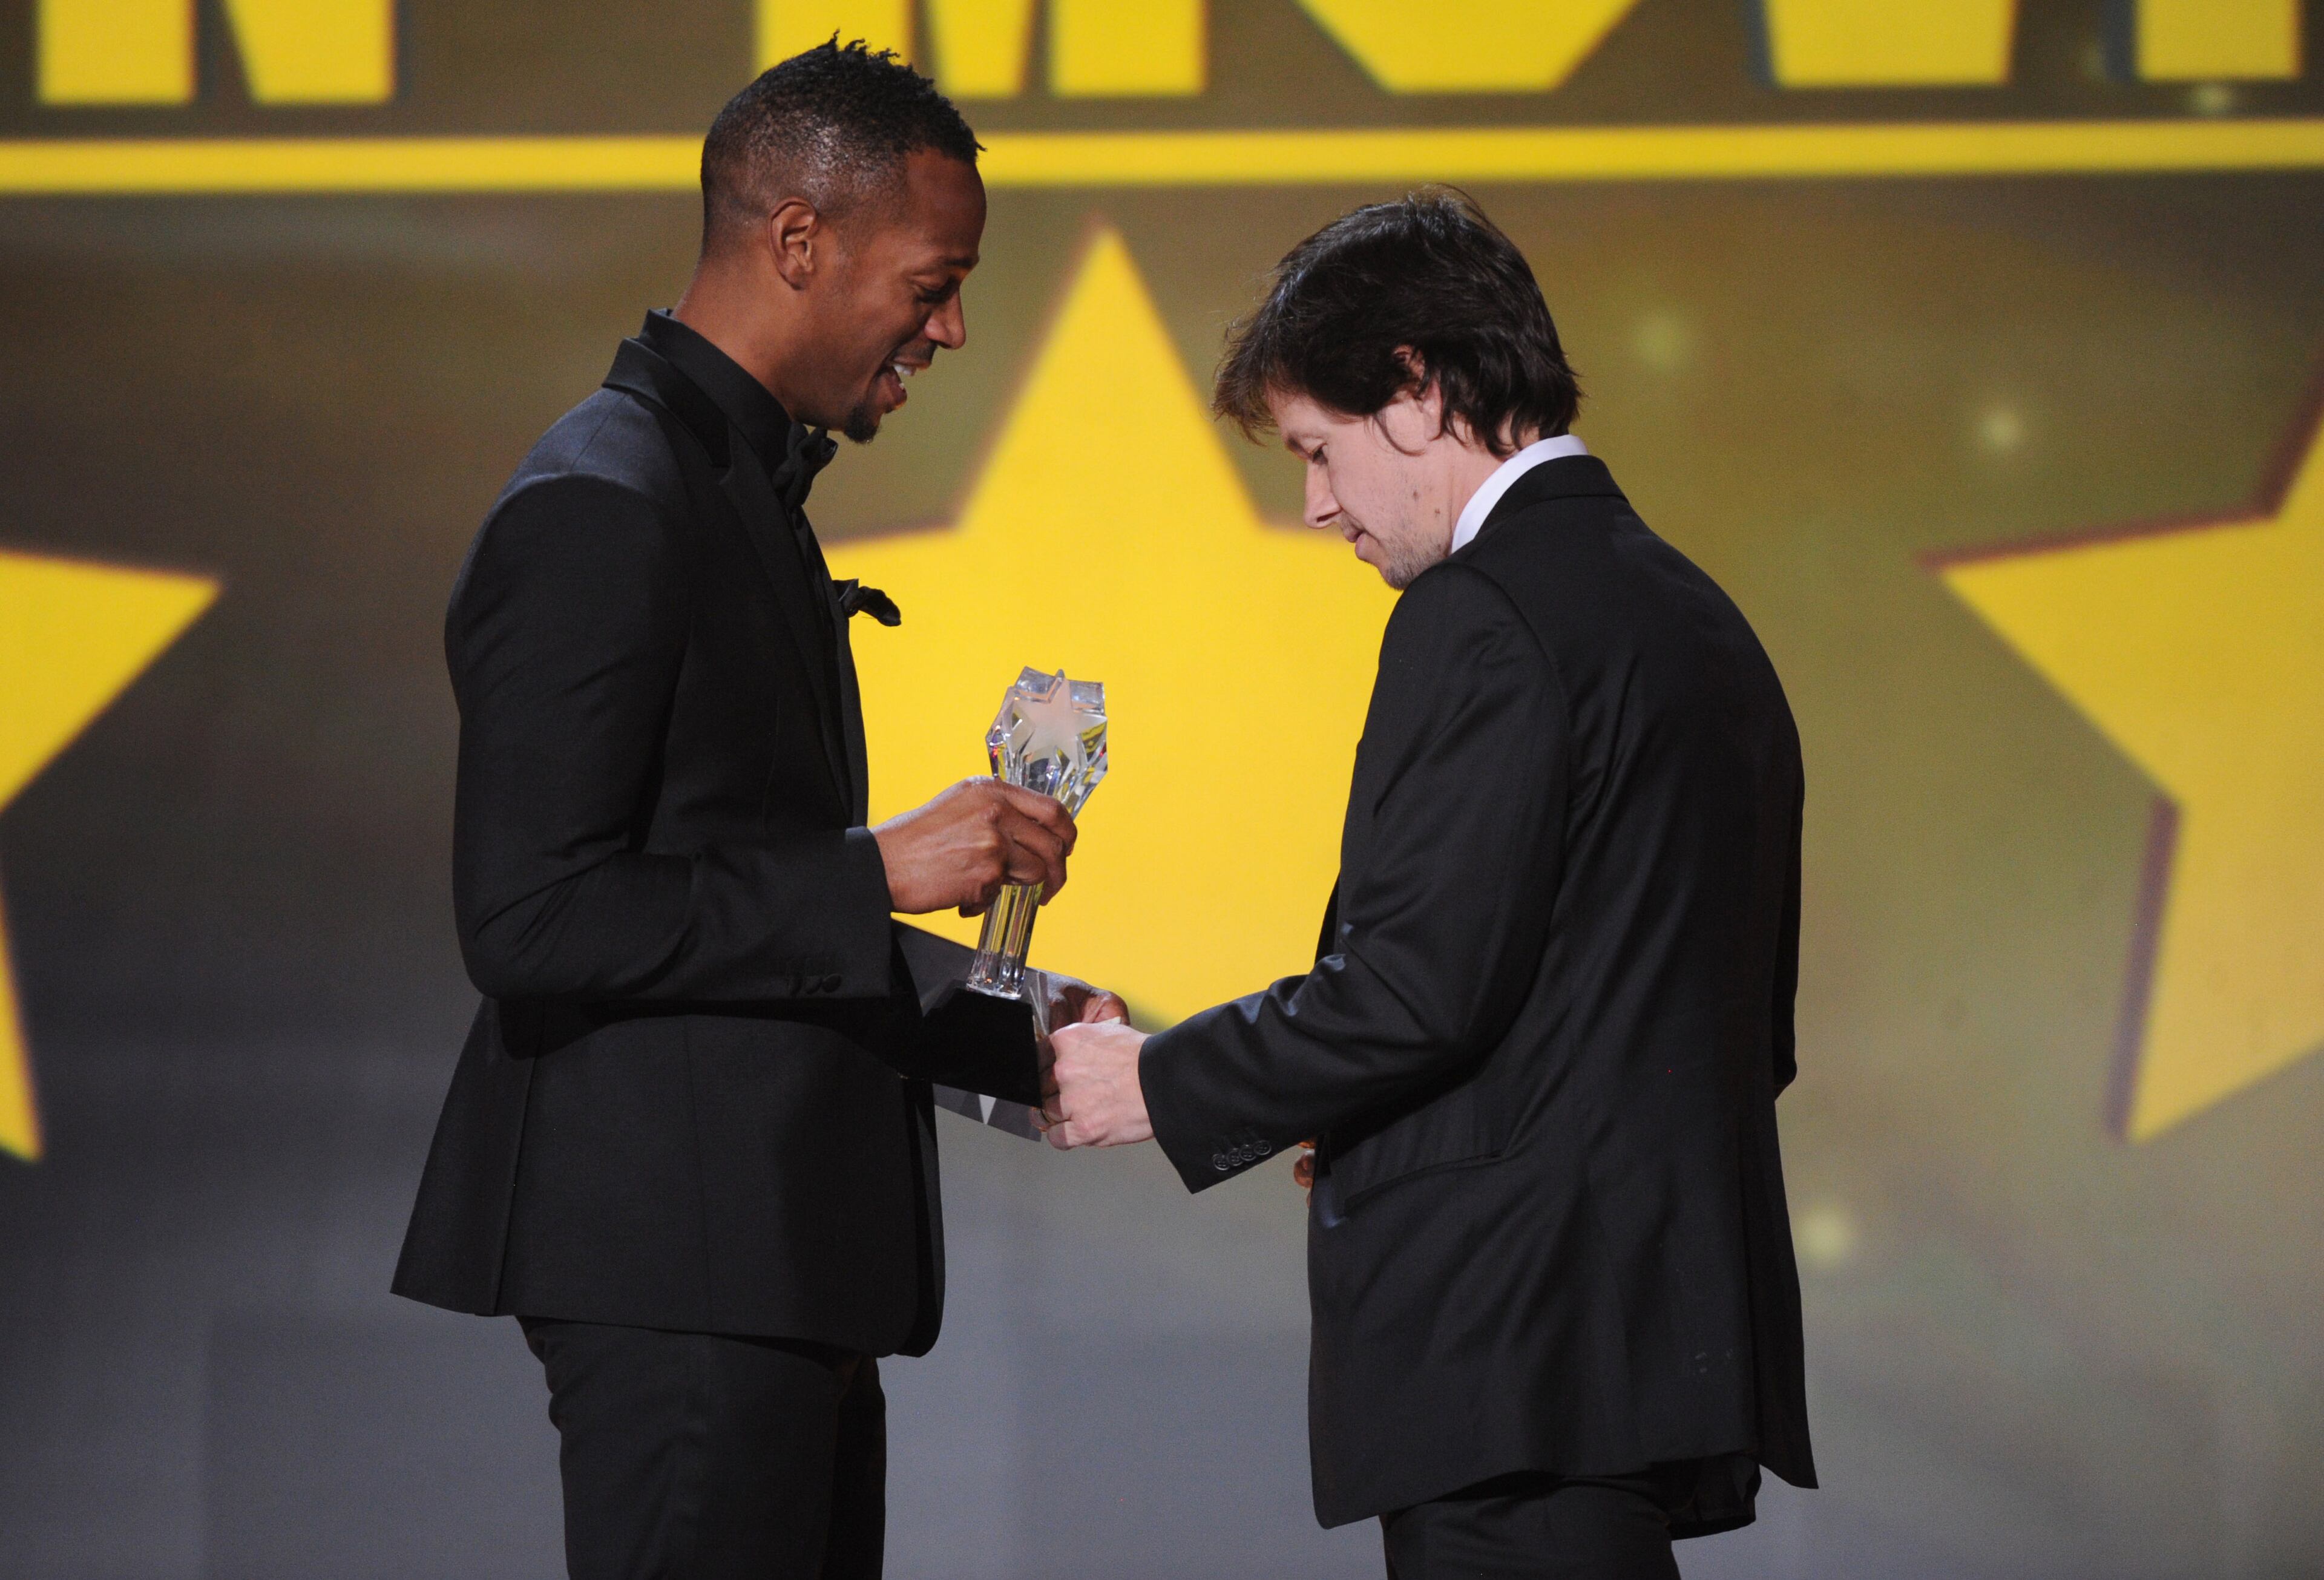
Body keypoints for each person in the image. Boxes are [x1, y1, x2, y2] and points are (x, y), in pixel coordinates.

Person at [392, 42, 1118, 1580]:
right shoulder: (602, 502)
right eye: (933, 284)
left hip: (768, 1270)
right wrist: (878, 867)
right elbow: (532, 915)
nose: (953, 326)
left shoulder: (728, 492)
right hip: (683, 1272)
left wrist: (1021, 1032)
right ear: (799, 240)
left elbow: (732, 912)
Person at [1042, 191, 1816, 1579]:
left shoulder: (1481, 612)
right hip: (1643, 1350)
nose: (1316, 506)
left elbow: (1416, 986)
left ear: (1417, 388)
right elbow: (1718, 1019)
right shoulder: (1696, 615)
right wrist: (1393, 1118)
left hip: (1508, 1352)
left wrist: (1157, 1081)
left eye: (1317, 450)